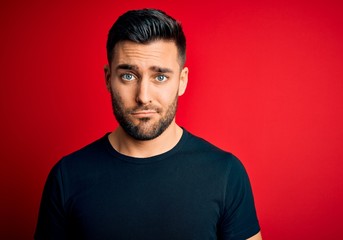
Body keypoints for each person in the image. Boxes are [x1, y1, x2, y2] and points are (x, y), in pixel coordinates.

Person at [34, 8, 262, 240]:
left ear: (182, 81)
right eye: (128, 76)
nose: (143, 96)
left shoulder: (226, 173)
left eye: (160, 77)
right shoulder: (67, 176)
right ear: (108, 79)